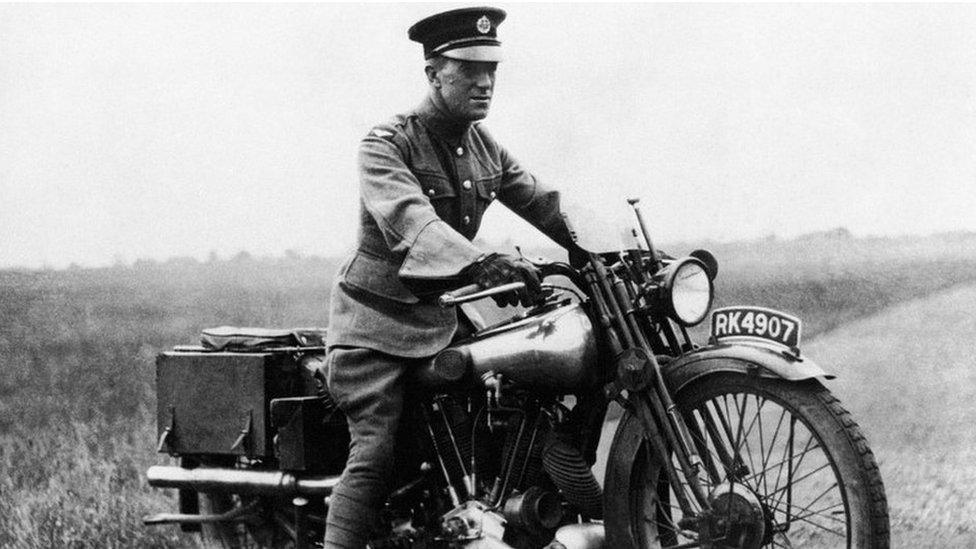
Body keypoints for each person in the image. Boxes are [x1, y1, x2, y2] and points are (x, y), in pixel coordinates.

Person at [321, 7, 578, 548]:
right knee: (375, 451)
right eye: (468, 70)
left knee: (507, 413)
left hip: (443, 320)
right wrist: (482, 261)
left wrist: (605, 248)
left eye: (492, 71)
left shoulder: (483, 146)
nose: (484, 83)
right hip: (376, 326)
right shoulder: (386, 144)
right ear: (434, 73)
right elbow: (412, 220)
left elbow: (544, 202)